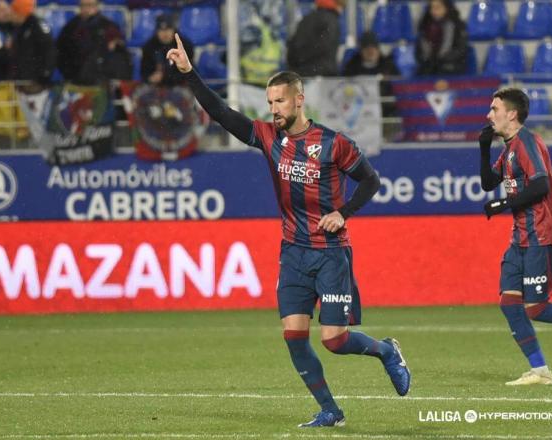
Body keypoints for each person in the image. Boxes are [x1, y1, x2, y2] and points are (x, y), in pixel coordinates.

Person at [167, 33, 410, 427]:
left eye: (280, 101)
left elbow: (371, 181)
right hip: (293, 252)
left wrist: (344, 212)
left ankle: (385, 351)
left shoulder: (333, 144)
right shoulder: (268, 137)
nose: (274, 109)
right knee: (294, 337)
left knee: (334, 340)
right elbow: (222, 114)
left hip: (330, 252)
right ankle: (330, 410)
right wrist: (190, 74)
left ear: (299, 100)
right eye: (269, 103)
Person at [479, 88, 552, 386]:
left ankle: (540, 370)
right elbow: (488, 183)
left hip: (539, 232)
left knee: (536, 307)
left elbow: (540, 186)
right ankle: (540, 371)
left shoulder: (527, 142)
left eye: (494, 108)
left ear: (511, 114)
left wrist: (503, 204)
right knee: (509, 303)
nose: (489, 114)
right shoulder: (508, 147)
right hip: (519, 237)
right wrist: (484, 148)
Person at [57, 0, 132, 85]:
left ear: (97, 6)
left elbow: (119, 49)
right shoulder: (70, 28)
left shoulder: (109, 26)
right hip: (76, 77)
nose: (86, 9)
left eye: (90, 5)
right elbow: (61, 53)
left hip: (103, 76)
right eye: (83, 5)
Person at [342, 31, 400, 117]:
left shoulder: (388, 67)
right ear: (361, 50)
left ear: (378, 49)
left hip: (385, 113)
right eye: (367, 48)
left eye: (373, 48)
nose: (371, 51)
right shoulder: (351, 68)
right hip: (357, 114)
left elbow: (398, 88)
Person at [287, 0, 346, 77]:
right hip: (323, 74)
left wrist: (298, 63)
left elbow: (292, 46)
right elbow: (325, 46)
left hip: (300, 73)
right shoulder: (331, 20)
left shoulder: (306, 19)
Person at [9, 0, 56, 92]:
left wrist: (45, 74)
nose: (10, 14)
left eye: (13, 11)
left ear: (20, 12)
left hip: (35, 82)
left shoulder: (37, 26)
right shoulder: (19, 28)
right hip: (22, 81)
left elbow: (49, 51)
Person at [415, 0, 467, 76]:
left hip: (451, 67)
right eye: (432, 8)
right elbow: (418, 53)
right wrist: (427, 60)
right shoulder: (424, 26)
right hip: (428, 67)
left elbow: (461, 51)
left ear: (447, 8)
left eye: (438, 7)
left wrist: (440, 60)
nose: (434, 11)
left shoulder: (458, 26)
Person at [140, 14, 193, 87]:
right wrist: (150, 78)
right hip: (154, 88)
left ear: (174, 30)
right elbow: (144, 72)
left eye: (168, 29)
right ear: (157, 31)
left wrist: (165, 78)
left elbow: (190, 73)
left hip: (180, 86)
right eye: (161, 30)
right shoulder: (149, 47)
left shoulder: (184, 45)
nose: (165, 33)